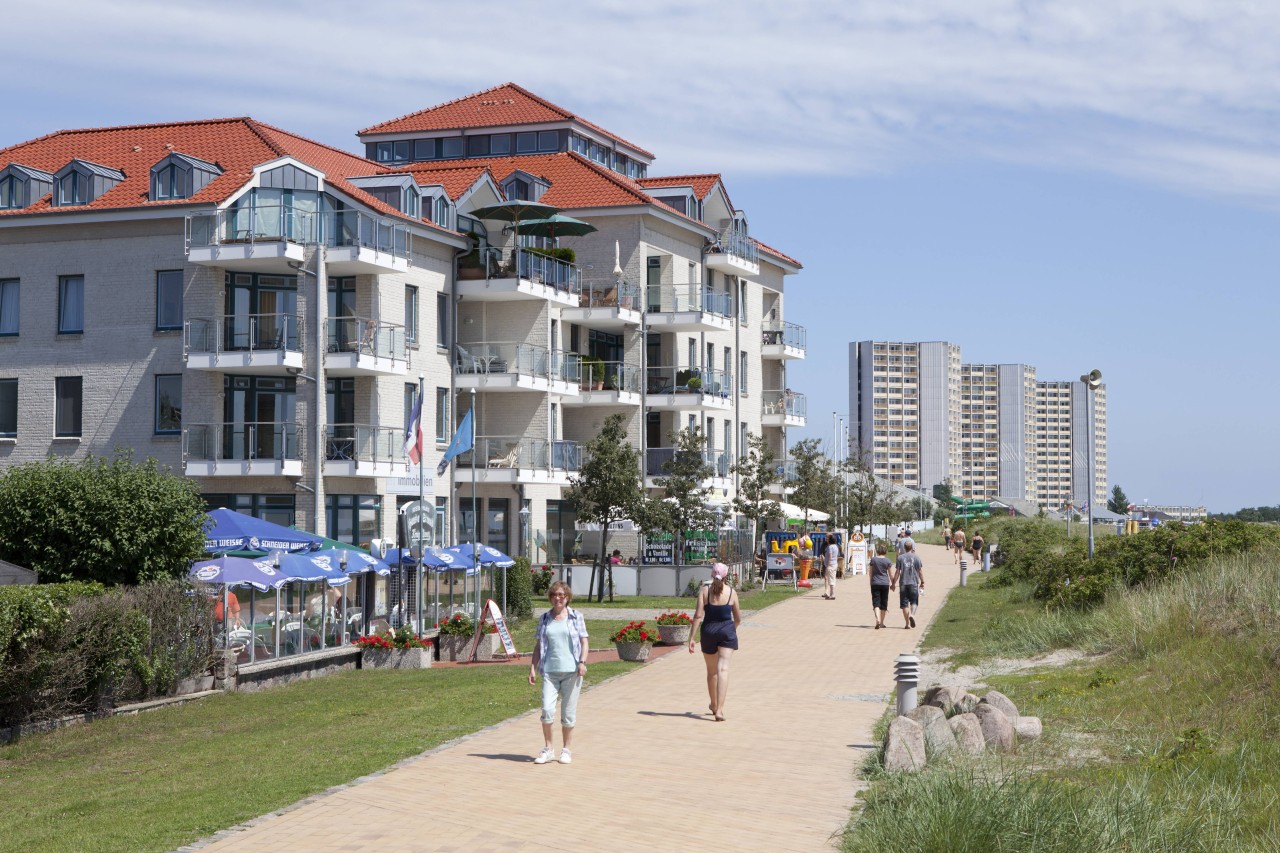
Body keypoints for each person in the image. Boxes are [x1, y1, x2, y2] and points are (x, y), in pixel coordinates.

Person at [528, 581, 589, 765]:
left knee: (568, 714)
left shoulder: (576, 616)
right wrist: (532, 667)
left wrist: (582, 662)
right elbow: (539, 645)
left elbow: (584, 641)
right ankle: (548, 749)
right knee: (547, 710)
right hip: (550, 672)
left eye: (561, 595)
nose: (558, 598)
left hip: (572, 672)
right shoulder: (545, 618)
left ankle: (566, 750)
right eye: (554, 595)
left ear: (567, 597)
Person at [688, 563, 741, 721]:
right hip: (727, 631)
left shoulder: (704, 591)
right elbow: (737, 618)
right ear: (726, 576)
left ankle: (713, 703)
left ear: (712, 574)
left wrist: (692, 638)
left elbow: (698, 616)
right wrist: (732, 629)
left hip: (708, 632)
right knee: (723, 669)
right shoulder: (732, 592)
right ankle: (720, 710)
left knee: (712, 672)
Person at [890, 540, 925, 629]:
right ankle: (912, 615)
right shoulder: (917, 557)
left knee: (904, 604)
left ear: (904, 548)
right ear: (912, 547)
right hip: (913, 583)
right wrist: (922, 582)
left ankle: (907, 624)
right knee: (914, 601)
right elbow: (920, 571)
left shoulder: (900, 558)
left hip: (903, 583)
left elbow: (897, 572)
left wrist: (893, 583)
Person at [868, 541, 893, 629]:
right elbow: (890, 574)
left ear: (877, 550)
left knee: (876, 603)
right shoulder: (888, 561)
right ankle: (881, 622)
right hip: (885, 583)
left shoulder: (873, 559)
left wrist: (871, 581)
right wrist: (893, 583)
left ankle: (877, 619)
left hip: (875, 583)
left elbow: (870, 572)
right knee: (884, 603)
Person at [821, 534, 842, 600]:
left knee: (831, 580)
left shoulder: (830, 547)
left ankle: (832, 594)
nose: (826, 539)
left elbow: (830, 556)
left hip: (830, 565)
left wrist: (828, 565)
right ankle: (829, 594)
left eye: (827, 538)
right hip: (834, 564)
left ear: (830, 539)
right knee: (831, 579)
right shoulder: (836, 546)